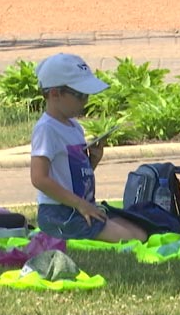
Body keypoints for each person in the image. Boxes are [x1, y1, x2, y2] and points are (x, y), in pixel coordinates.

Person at [30, 53, 148, 243]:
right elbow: (39, 178)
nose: (85, 101)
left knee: (140, 234)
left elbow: (73, 177)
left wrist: (93, 160)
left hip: (80, 206)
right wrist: (80, 204)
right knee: (128, 239)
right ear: (54, 94)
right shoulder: (46, 129)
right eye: (79, 95)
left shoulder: (74, 127)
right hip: (59, 214)